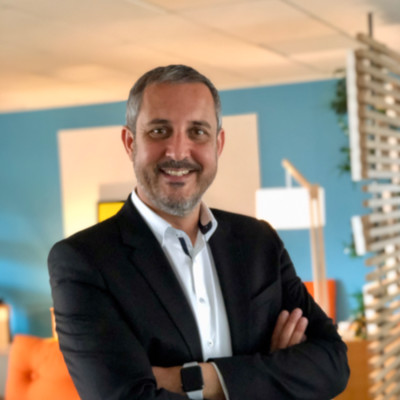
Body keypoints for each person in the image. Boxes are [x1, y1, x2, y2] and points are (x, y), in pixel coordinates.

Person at [48, 65, 349, 400]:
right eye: (159, 131)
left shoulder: (259, 241)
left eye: (198, 132)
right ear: (130, 142)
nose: (178, 152)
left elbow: (334, 364)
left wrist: (198, 379)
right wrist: (269, 375)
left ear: (218, 143)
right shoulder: (83, 261)